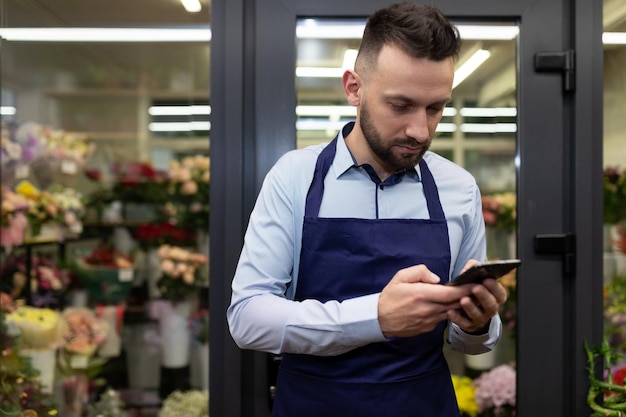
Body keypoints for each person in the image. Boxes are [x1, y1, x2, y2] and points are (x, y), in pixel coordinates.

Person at [227, 3, 509, 416]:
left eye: (435, 108)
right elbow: (248, 317)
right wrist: (375, 317)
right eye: (401, 105)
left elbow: (466, 342)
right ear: (354, 88)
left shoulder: (459, 189)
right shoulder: (294, 177)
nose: (420, 130)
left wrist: (477, 323)